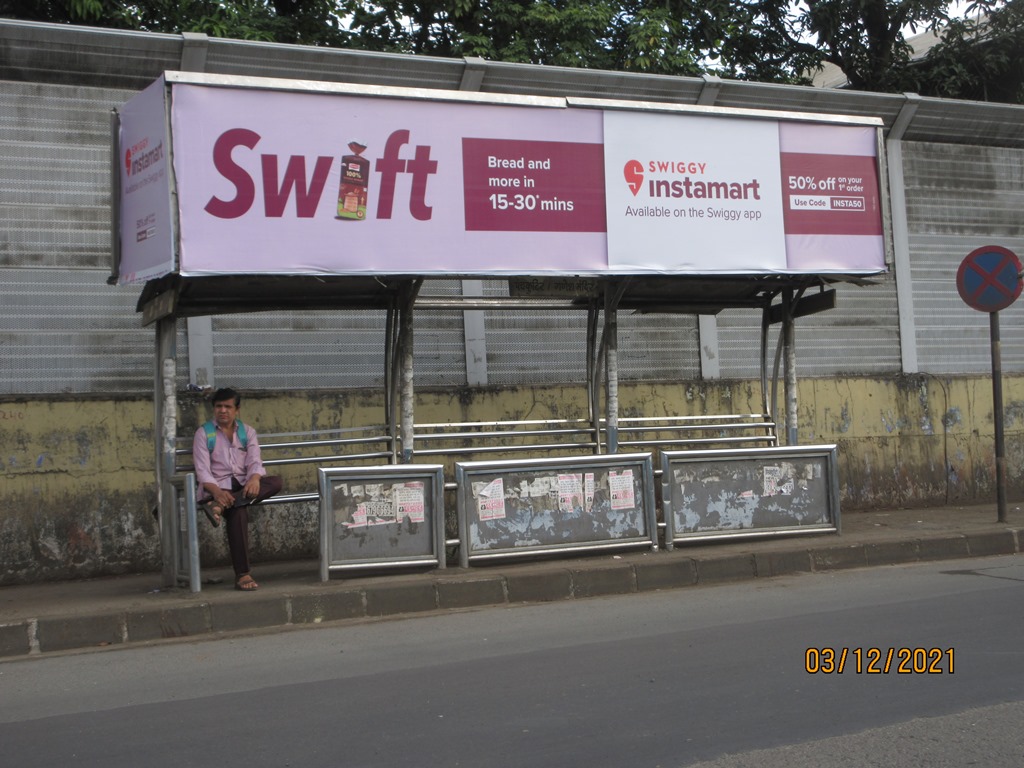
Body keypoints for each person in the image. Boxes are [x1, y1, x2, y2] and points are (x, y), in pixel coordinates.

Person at [192, 387, 282, 591]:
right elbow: (203, 472)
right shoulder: (204, 434)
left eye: (227, 407)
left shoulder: (247, 432)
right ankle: (243, 575)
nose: (222, 411)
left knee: (276, 482)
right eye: (218, 407)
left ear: (237, 409)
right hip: (216, 488)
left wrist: (255, 479)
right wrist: (217, 493)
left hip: (242, 487)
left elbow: (255, 462)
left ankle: (220, 506)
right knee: (239, 511)